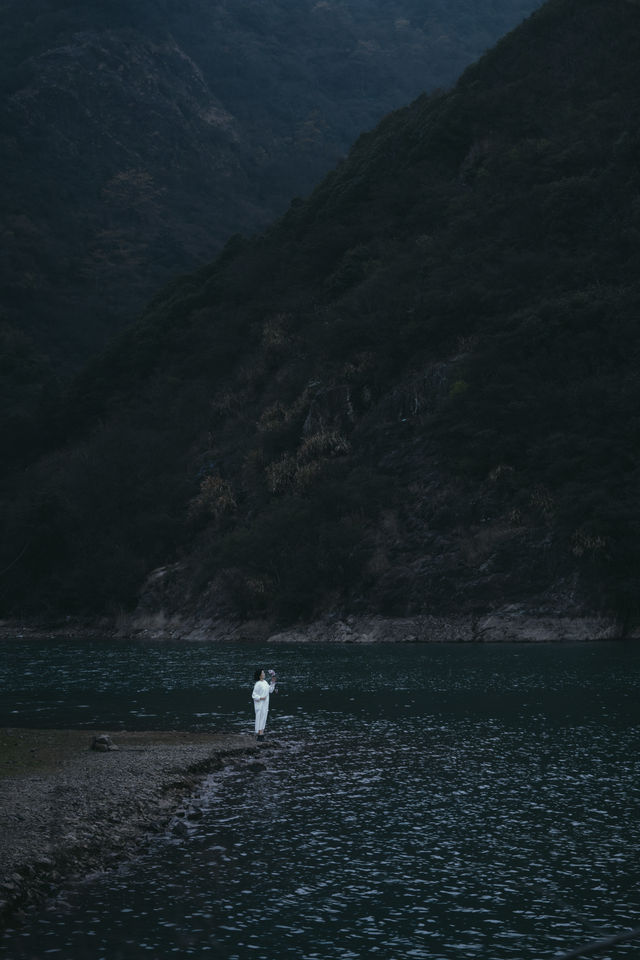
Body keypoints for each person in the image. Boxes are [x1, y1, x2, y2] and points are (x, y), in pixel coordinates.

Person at [252, 668, 276, 740]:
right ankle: (260, 735)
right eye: (263, 673)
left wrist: (273, 682)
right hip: (259, 705)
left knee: (263, 718)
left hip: (265, 704)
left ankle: (261, 734)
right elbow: (253, 695)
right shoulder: (258, 684)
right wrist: (260, 698)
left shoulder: (265, 682)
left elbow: (270, 690)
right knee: (259, 718)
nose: (264, 674)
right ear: (260, 675)